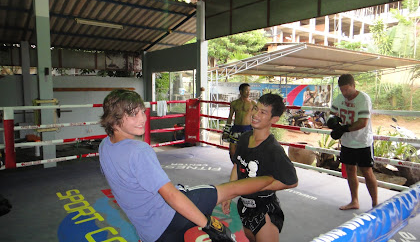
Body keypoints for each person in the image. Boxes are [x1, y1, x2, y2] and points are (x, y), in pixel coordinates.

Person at [99, 89, 279, 242]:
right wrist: (208, 224)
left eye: (142, 111)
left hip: (149, 232)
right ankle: (272, 178)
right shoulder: (139, 150)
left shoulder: (105, 145)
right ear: (114, 119)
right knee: (227, 189)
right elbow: (170, 195)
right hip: (170, 216)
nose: (142, 118)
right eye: (133, 114)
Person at [222, 93, 298, 242]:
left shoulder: (273, 150)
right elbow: (237, 166)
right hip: (243, 206)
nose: (255, 114)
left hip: (264, 212)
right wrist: (229, 194)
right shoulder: (244, 138)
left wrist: (257, 187)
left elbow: (292, 181)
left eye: (263, 112)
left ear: (274, 119)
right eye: (256, 108)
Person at [328, 74, 378, 210]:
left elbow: (362, 122)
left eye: (347, 90)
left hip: (363, 142)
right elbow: (332, 114)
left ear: (353, 86)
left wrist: (343, 128)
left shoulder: (363, 99)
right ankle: (354, 201)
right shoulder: (340, 98)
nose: (345, 93)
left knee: (367, 171)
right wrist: (333, 123)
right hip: (347, 142)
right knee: (350, 170)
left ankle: (375, 204)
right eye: (342, 90)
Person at [222, 83, 256, 163]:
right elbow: (230, 117)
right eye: (246, 90)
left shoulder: (253, 104)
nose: (248, 92)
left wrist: (256, 131)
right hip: (236, 129)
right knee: (232, 152)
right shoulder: (234, 103)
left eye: (249, 90)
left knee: (247, 152)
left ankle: (244, 171)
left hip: (248, 129)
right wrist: (226, 130)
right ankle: (235, 168)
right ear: (241, 91)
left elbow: (256, 118)